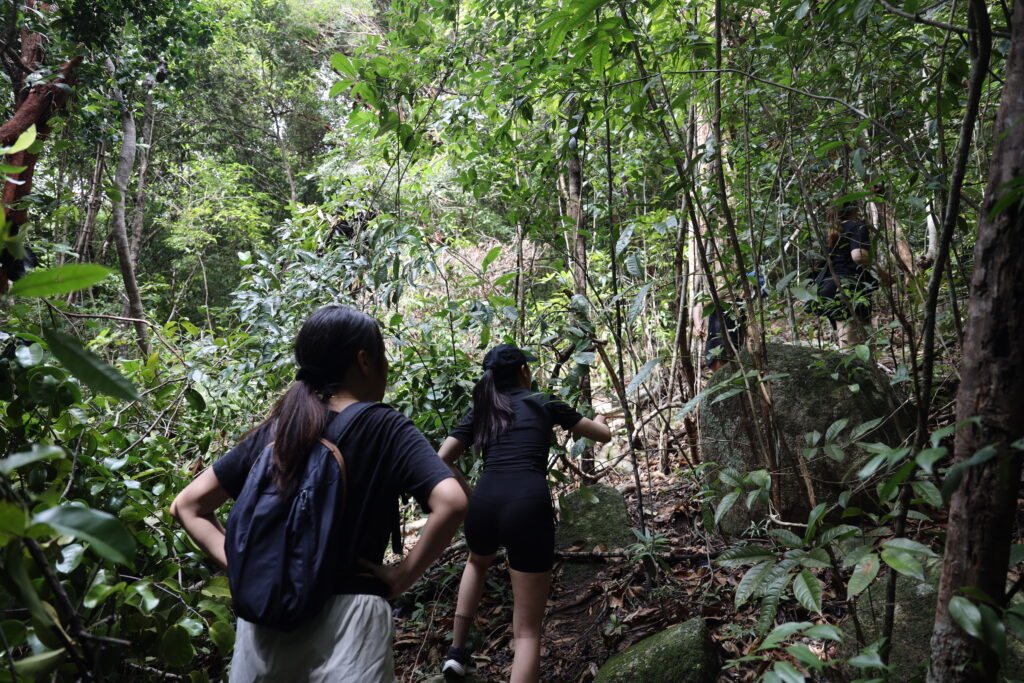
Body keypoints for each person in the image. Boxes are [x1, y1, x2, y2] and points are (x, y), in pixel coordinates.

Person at [170, 305, 467, 682]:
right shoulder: (385, 426)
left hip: (264, 631)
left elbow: (187, 506)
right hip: (350, 623)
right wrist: (401, 577)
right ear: (363, 360)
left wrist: (246, 566)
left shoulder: (280, 430)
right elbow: (452, 502)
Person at [437, 344, 611, 682]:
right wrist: (601, 417)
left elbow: (442, 457)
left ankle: (457, 651)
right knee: (527, 631)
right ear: (523, 372)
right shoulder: (543, 400)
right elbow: (602, 435)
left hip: (485, 501)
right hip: (528, 504)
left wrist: (471, 494)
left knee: (477, 561)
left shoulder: (482, 408)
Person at [810, 203, 877, 346]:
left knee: (848, 342)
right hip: (849, 286)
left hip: (827, 287)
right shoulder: (857, 226)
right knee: (860, 342)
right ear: (854, 208)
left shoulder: (829, 232)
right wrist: (882, 273)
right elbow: (859, 256)